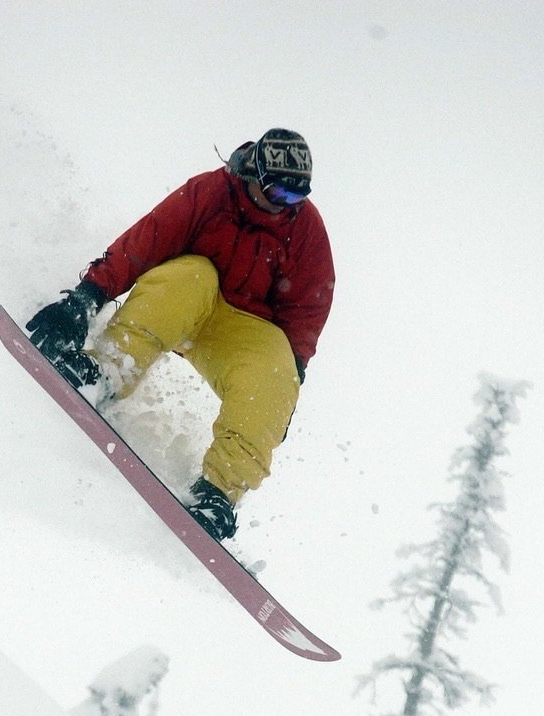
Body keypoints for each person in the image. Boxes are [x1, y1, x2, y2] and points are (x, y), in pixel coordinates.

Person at [26, 128, 335, 541]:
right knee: (193, 274)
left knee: (277, 371)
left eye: (297, 198)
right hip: (184, 302)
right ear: (255, 175)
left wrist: (289, 384)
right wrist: (84, 300)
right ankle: (107, 373)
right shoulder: (211, 193)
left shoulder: (307, 231)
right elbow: (145, 243)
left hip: (239, 331)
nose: (286, 207)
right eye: (278, 194)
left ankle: (218, 491)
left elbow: (306, 314)